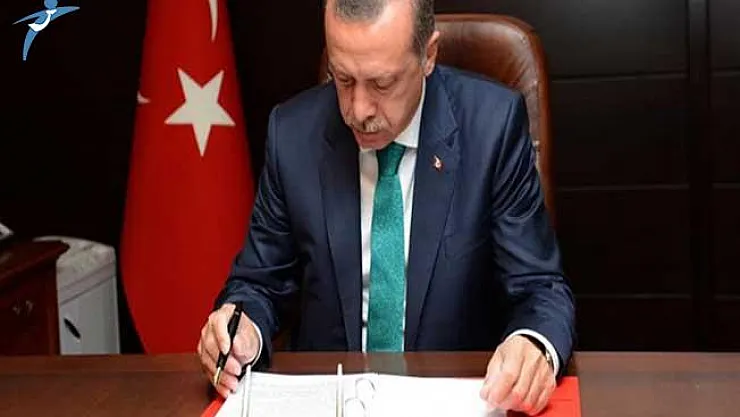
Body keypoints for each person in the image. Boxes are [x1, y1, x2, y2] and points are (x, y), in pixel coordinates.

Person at [197, 0, 575, 414]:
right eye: (343, 79)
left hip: (453, 401)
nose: (358, 110)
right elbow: (259, 284)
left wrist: (532, 345)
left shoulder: (491, 127)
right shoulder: (292, 134)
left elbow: (540, 289)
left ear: (428, 55)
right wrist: (242, 330)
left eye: (381, 84)